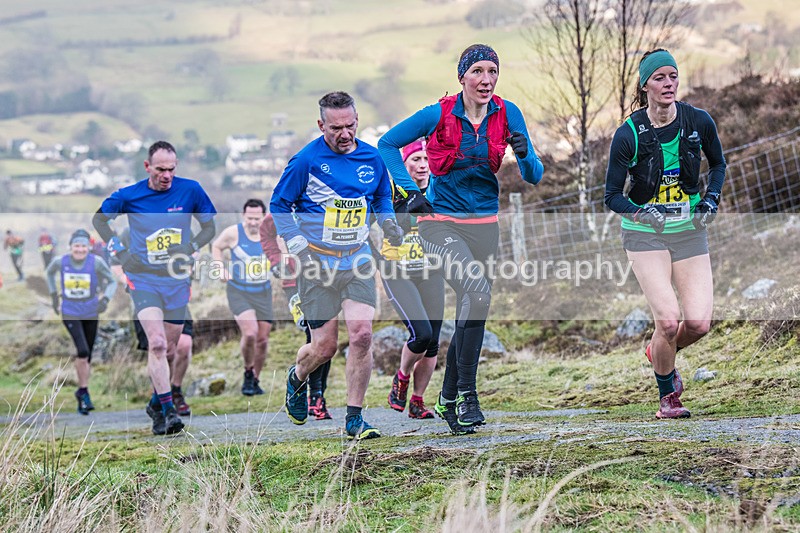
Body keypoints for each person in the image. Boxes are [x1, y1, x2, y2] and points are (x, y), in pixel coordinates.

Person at [378, 44, 543, 433]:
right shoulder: (437, 113)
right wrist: (410, 192)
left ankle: (447, 398)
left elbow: (534, 175)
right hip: (440, 224)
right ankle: (468, 396)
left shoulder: (508, 113)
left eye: (492, 71)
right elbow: (387, 144)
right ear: (462, 77)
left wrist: (524, 155)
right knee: (477, 290)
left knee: (474, 307)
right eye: (478, 71)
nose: (486, 79)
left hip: (485, 226)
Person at [270, 91, 404, 440]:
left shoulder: (372, 157)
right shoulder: (305, 161)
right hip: (316, 261)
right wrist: (298, 248)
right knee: (324, 347)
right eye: (336, 128)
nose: (345, 134)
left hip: (357, 257)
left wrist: (388, 221)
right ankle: (297, 378)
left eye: (350, 126)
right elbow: (279, 205)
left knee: (361, 334)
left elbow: (381, 196)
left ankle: (354, 419)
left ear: (357, 121)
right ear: (321, 125)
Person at [604, 49, 726, 419]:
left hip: (688, 231)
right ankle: (668, 398)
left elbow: (718, 164)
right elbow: (611, 196)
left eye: (673, 76)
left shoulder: (698, 121)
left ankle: (658, 351)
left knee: (698, 324)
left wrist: (710, 199)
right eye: (659, 78)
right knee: (669, 322)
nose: (668, 83)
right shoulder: (628, 134)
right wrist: (642, 212)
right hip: (645, 234)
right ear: (645, 86)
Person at [92, 140, 217, 435]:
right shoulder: (130, 195)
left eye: (171, 169)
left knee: (170, 349)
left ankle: (155, 403)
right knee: (157, 344)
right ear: (147, 167)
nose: (167, 176)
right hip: (143, 279)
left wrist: (190, 246)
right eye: (161, 169)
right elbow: (100, 220)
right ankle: (169, 411)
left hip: (176, 279)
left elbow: (209, 228)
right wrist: (121, 254)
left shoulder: (191, 190)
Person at [381, 140, 444, 422]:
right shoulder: (391, 190)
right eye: (415, 159)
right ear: (404, 164)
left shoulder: (438, 189)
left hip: (430, 270)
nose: (422, 165)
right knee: (422, 334)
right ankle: (402, 376)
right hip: (398, 270)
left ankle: (417, 401)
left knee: (433, 342)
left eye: (426, 159)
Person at [110, 227, 194, 417]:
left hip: (175, 296)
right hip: (146, 298)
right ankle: (165, 400)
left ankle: (173, 392)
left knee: (183, 346)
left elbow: (193, 254)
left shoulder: (179, 225)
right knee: (158, 348)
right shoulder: (131, 231)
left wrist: (186, 272)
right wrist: (126, 279)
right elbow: (115, 262)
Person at [260, 213, 332, 420]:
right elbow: (266, 232)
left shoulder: (316, 204)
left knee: (325, 341)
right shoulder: (281, 208)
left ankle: (317, 395)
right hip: (293, 282)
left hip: (321, 279)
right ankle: (314, 396)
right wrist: (276, 261)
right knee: (314, 334)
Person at [46, 229, 118, 414]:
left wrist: (105, 300)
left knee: (88, 355)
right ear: (70, 247)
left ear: (89, 247)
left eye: (83, 246)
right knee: (83, 350)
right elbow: (49, 273)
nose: (80, 249)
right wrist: (54, 295)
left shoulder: (96, 262)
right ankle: (84, 391)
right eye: (76, 246)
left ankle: (82, 392)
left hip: (91, 311)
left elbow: (112, 281)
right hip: (70, 312)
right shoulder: (61, 261)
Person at [212, 199, 274, 397]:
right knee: (250, 333)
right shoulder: (233, 233)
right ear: (243, 216)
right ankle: (248, 371)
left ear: (264, 217)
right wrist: (220, 268)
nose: (253, 222)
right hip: (239, 291)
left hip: (263, 292)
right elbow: (216, 247)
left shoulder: (272, 233)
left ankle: (255, 380)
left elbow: (284, 253)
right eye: (249, 218)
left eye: (257, 219)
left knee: (262, 340)